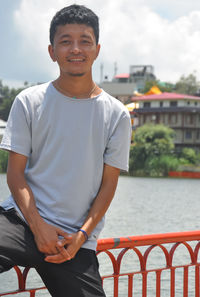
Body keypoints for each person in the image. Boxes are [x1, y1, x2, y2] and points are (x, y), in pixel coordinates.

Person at [0, 4, 131, 297]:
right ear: (51, 51)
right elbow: (15, 175)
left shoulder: (117, 114)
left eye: (84, 41)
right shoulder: (28, 101)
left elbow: (108, 187)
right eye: (65, 41)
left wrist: (82, 235)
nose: (76, 49)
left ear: (97, 49)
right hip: (20, 222)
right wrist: (39, 227)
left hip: (73, 240)